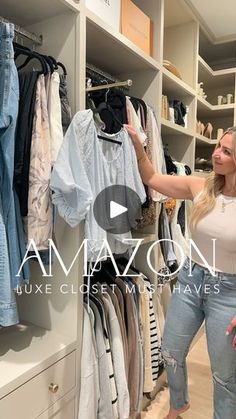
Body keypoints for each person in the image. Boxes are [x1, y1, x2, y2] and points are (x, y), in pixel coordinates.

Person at [125, 124, 236, 419]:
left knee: (224, 375)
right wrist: (139, 144)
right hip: (191, 280)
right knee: (170, 350)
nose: (217, 154)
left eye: (227, 151)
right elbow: (151, 178)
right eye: (218, 146)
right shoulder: (199, 187)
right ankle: (178, 403)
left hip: (229, 293)